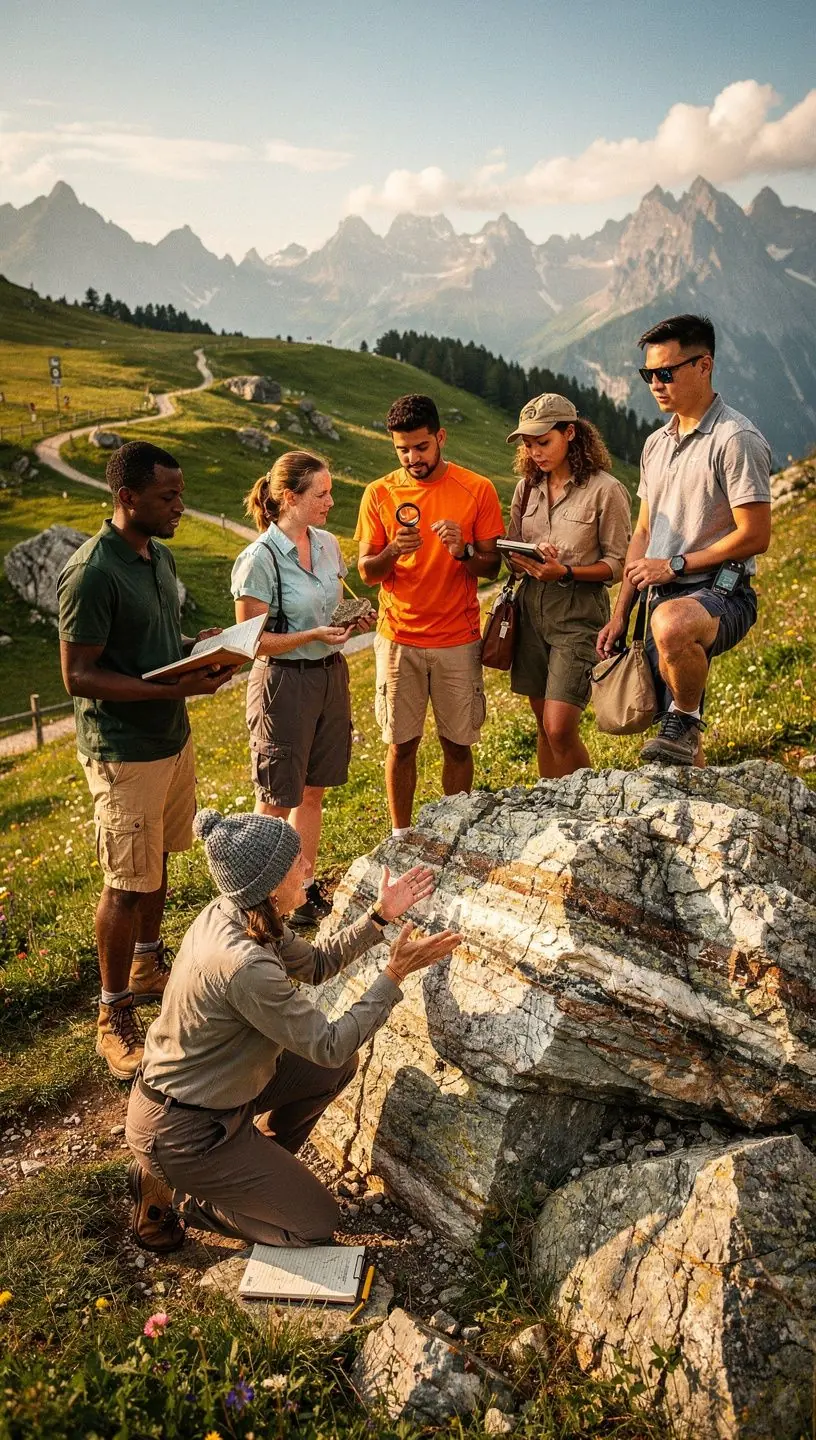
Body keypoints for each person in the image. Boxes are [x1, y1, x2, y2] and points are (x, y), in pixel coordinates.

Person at [125, 807, 460, 1252]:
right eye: (295, 863)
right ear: (267, 884)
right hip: (185, 1129)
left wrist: (378, 918)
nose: (308, 868)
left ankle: (254, 1167)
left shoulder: (242, 910)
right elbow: (329, 1044)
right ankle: (183, 1197)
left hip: (214, 1095)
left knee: (330, 1073)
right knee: (314, 1225)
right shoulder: (244, 965)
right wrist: (395, 974)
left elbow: (318, 965)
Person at [57, 440, 237, 1081]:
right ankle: (112, 1015)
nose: (180, 507)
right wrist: (171, 688)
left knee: (157, 857)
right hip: (124, 753)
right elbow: (79, 675)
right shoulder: (91, 572)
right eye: (169, 497)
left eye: (181, 494)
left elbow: (154, 647)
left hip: (170, 737)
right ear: (127, 498)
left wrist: (200, 647)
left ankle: (146, 963)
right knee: (125, 882)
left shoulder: (156, 556)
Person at [597, 314, 772, 765]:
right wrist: (621, 612)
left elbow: (756, 535)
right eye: (648, 374)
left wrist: (674, 565)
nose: (655, 383)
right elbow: (643, 532)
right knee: (671, 744)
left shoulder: (736, 439)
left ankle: (688, 718)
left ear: (704, 365)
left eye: (666, 372)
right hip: (659, 595)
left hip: (722, 591)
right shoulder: (656, 443)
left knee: (673, 627)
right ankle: (691, 800)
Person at [231, 451, 375, 927]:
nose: (331, 501)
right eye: (321, 493)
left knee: (313, 791)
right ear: (289, 497)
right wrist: (310, 636)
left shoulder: (329, 544)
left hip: (331, 675)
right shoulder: (259, 558)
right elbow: (251, 642)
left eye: (330, 491)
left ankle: (304, 889)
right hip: (283, 683)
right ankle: (259, 902)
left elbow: (331, 605)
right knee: (276, 796)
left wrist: (353, 621)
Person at [356, 394, 503, 834]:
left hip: (458, 638)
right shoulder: (379, 493)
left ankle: (453, 831)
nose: (412, 458)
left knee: (457, 745)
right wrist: (390, 553)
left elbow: (491, 565)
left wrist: (463, 551)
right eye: (402, 449)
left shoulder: (477, 489)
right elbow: (366, 572)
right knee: (401, 745)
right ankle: (401, 835)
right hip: (399, 638)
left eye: (421, 447)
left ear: (440, 437)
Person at [504, 394, 631, 776]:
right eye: (528, 444)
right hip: (529, 611)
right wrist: (521, 557)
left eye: (543, 442)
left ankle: (588, 803)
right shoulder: (526, 488)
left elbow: (620, 564)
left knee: (560, 727)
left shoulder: (605, 490)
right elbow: (510, 549)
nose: (535, 452)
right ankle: (551, 807)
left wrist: (567, 572)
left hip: (578, 613)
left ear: (570, 433)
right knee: (543, 726)